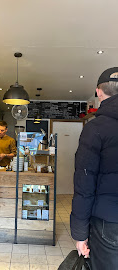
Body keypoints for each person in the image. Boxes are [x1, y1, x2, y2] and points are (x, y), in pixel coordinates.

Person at [70, 67, 118, 269]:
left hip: (107, 222)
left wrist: (80, 234)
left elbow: (85, 184)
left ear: (98, 92)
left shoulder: (95, 129)